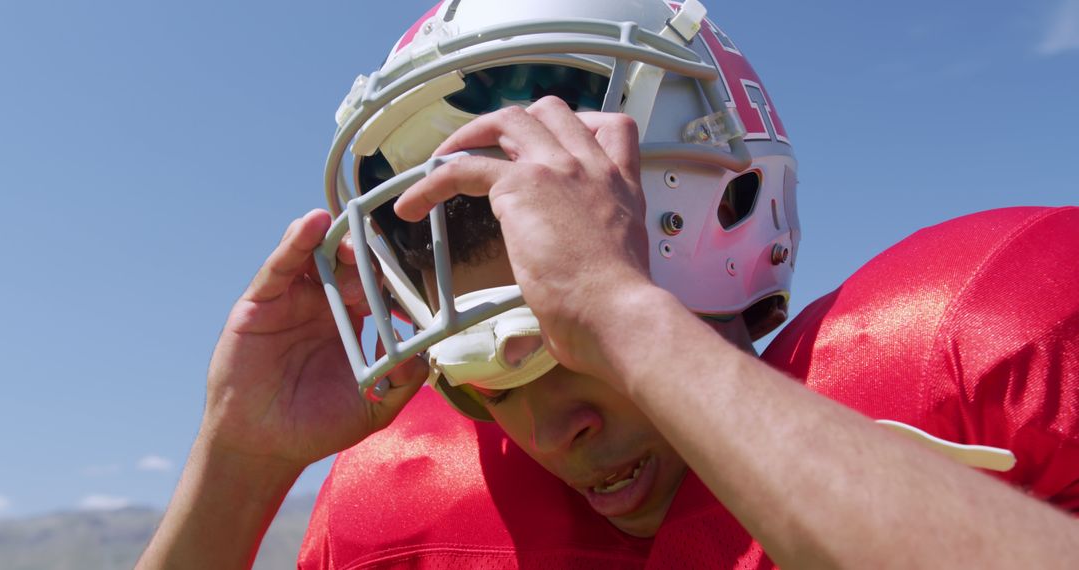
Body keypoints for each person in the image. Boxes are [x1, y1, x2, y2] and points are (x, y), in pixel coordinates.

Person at [139, 1, 1079, 568]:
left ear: (716, 235)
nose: (552, 432)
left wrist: (624, 318)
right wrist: (241, 463)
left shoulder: (976, 333)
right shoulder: (413, 506)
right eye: (491, 379)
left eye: (566, 345)